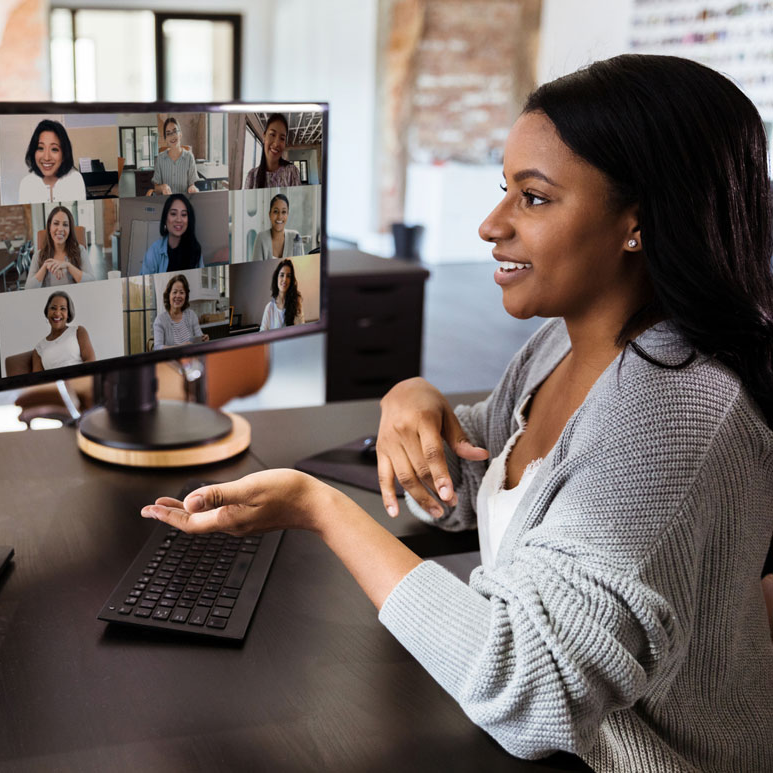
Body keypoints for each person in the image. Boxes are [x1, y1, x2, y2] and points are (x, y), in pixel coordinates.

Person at [143, 55, 773, 771]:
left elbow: (532, 695)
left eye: (532, 199)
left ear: (638, 222)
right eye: (503, 190)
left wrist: (318, 507)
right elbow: (488, 481)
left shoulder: (676, 416)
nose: (488, 225)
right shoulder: (559, 346)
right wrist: (413, 399)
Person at [17, 120, 87, 204]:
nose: (46, 157)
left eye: (54, 149)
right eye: (40, 148)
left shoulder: (75, 179)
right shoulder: (26, 184)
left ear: (64, 154)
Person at [25, 206, 94, 288]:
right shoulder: (38, 255)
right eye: (56, 223)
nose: (60, 228)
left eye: (65, 224)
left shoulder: (80, 250)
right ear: (49, 227)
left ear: (69, 230)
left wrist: (68, 266)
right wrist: (45, 266)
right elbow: (28, 288)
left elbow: (92, 281)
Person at [31, 290, 95, 371]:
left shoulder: (78, 331)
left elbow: (91, 361)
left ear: (68, 314)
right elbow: (37, 380)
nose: (57, 313)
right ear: (47, 312)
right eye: (53, 308)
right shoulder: (38, 349)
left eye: (63, 308)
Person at [139, 194, 202, 275]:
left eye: (183, 215)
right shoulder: (154, 251)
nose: (179, 220)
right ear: (165, 218)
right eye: (173, 214)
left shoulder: (196, 249)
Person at [244, 113, 301, 189]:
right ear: (264, 136)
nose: (276, 143)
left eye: (282, 138)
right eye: (272, 134)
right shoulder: (252, 176)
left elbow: (298, 200)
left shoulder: (291, 172)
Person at [152, 274, 208, 349]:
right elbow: (157, 347)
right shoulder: (160, 320)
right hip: (172, 360)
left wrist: (203, 339)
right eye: (175, 292)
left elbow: (199, 337)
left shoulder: (191, 315)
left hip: (192, 358)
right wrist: (180, 347)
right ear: (169, 295)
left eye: (181, 292)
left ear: (186, 296)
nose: (178, 296)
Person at [149, 117, 198, 197]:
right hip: (166, 203)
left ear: (180, 134)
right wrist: (162, 187)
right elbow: (156, 189)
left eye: (175, 131)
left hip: (183, 203)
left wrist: (192, 188)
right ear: (165, 138)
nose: (172, 136)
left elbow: (192, 184)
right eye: (168, 133)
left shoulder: (189, 157)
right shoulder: (160, 158)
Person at [250, 194, 305, 262]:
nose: (279, 217)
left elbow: (300, 267)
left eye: (284, 212)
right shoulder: (261, 238)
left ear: (287, 214)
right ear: (270, 214)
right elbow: (256, 270)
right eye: (275, 211)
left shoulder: (295, 237)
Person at [259, 259, 303, 331]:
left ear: (291, 280)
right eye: (282, 275)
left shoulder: (297, 304)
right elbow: (262, 334)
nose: (285, 279)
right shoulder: (269, 308)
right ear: (277, 278)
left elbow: (302, 331)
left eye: (288, 276)